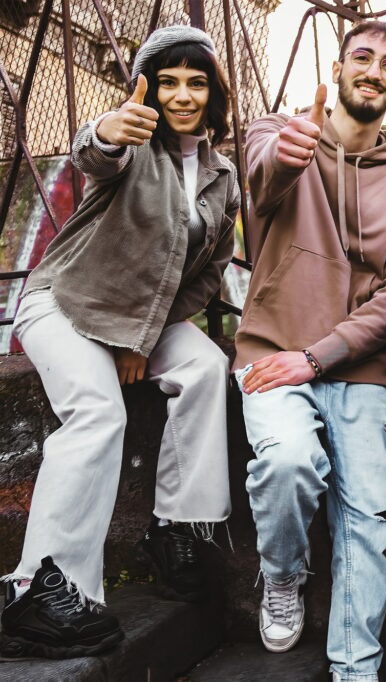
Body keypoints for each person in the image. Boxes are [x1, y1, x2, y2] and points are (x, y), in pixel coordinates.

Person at [0, 26, 238, 658]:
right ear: (149, 90)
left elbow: (210, 274)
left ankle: (177, 528)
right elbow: (92, 153)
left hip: (142, 323)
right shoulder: (133, 143)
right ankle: (38, 589)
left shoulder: (222, 177)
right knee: (98, 411)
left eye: (196, 82)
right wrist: (110, 129)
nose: (182, 95)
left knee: (208, 368)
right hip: (66, 306)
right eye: (168, 82)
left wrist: (144, 335)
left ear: (213, 91)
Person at [233, 20, 386, 681]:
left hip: (356, 369)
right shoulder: (279, 132)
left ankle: (355, 668)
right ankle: (283, 574)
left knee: (373, 516)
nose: (373, 70)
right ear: (338, 66)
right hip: (272, 350)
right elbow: (264, 180)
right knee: (291, 462)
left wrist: (316, 358)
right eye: (362, 57)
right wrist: (292, 152)